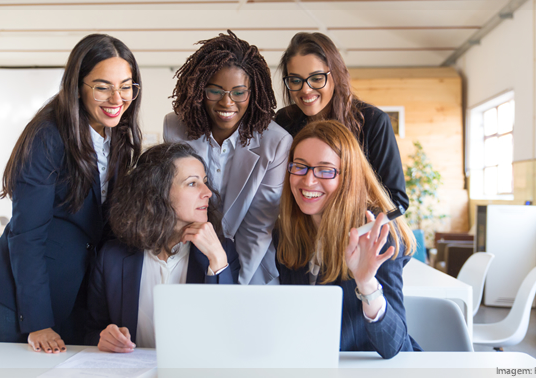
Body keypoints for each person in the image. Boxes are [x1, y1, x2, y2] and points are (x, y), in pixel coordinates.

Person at [0, 34, 143, 353]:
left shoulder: (117, 138)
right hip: (22, 298)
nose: (117, 97)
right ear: (78, 86)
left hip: (76, 291)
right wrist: (37, 322)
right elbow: (27, 236)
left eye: (126, 85)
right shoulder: (48, 137)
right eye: (103, 86)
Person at [275, 119, 420, 359]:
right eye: (299, 166)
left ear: (349, 176)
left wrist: (367, 284)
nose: (308, 180)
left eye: (325, 170)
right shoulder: (285, 232)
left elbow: (394, 347)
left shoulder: (377, 234)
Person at [164, 30, 292, 285]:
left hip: (250, 266)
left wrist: (230, 282)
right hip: (187, 253)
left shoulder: (276, 143)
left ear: (252, 93)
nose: (226, 102)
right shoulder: (175, 127)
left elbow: (258, 226)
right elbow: (171, 203)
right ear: (201, 89)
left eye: (238, 92)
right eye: (215, 91)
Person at [85, 143, 240, 352]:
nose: (208, 192)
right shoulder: (111, 257)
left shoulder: (222, 253)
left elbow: (229, 337)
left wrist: (218, 261)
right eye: (192, 184)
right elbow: (91, 329)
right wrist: (103, 338)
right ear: (157, 192)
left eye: (204, 182)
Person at [275, 32, 409, 212]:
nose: (305, 89)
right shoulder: (284, 122)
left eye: (316, 78)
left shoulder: (373, 122)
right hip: (300, 234)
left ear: (336, 75)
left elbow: (396, 200)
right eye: (295, 80)